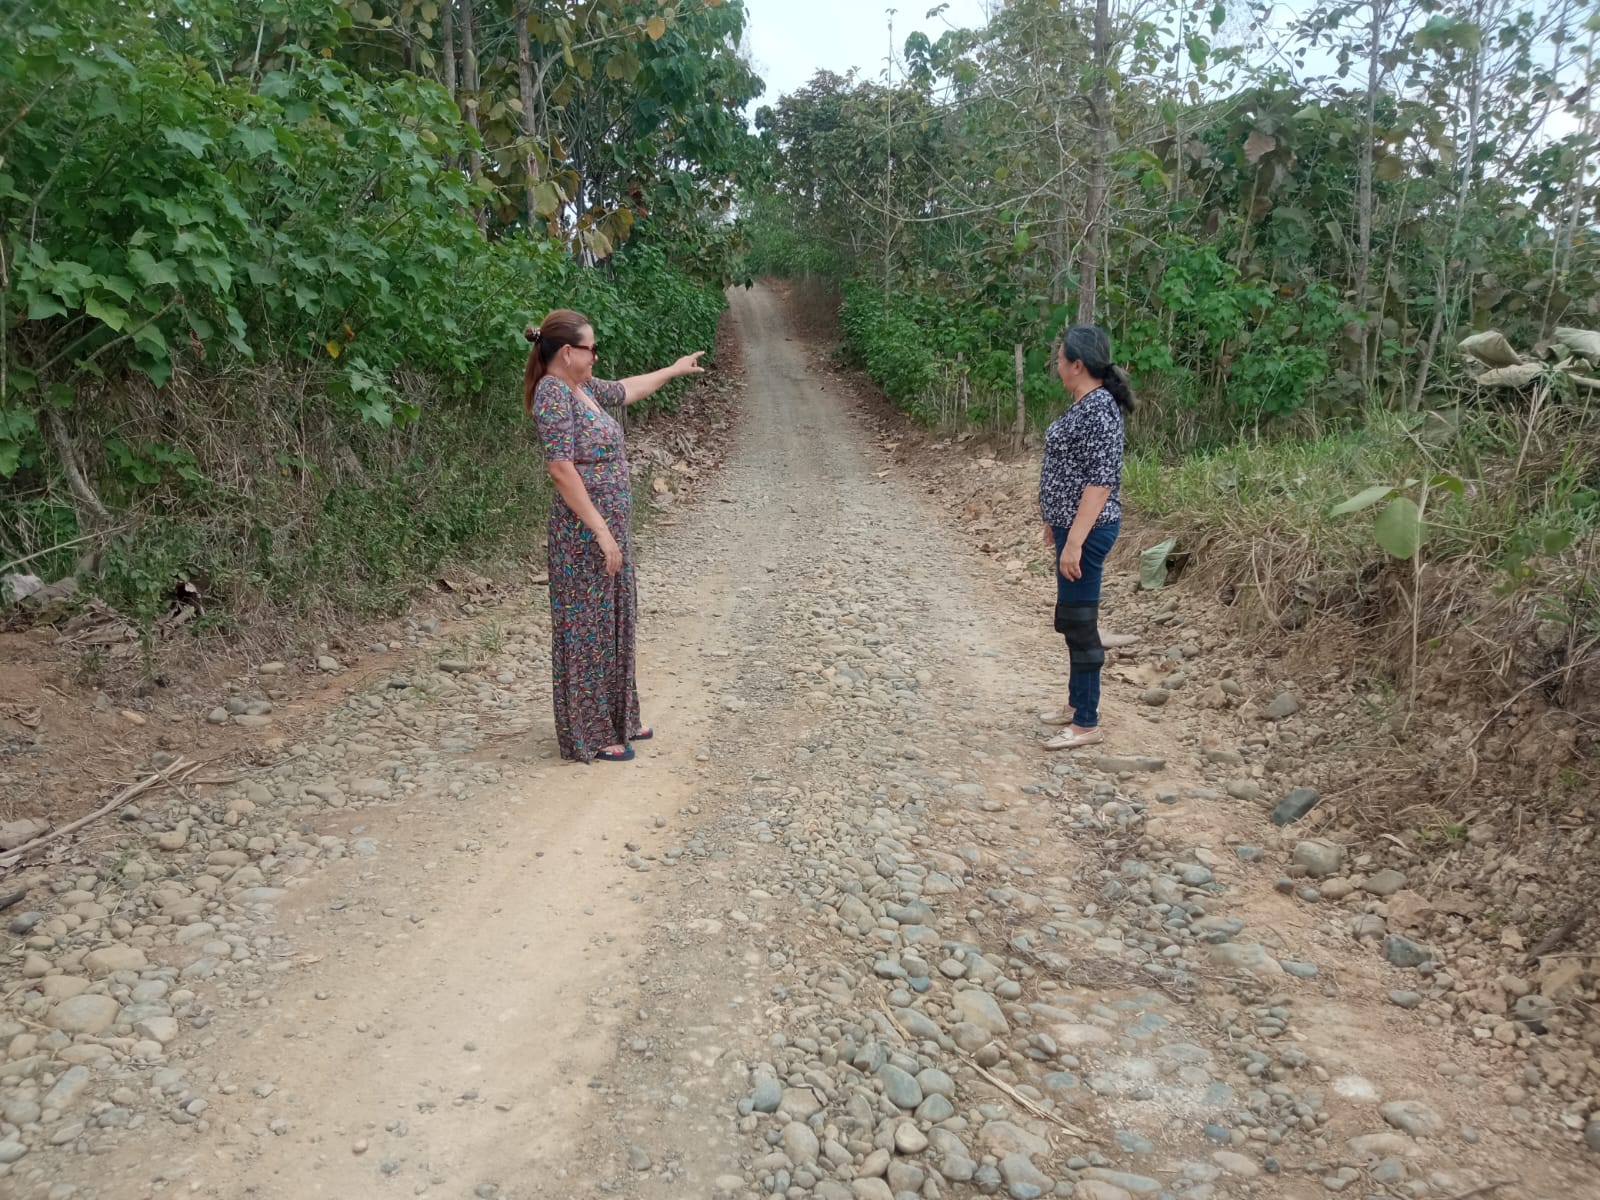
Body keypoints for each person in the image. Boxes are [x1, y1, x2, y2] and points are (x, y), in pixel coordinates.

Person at [525, 309, 705, 763]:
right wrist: (602, 532)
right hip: (582, 534)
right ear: (568, 352)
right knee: (588, 628)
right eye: (591, 348)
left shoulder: (582, 388)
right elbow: (561, 469)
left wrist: (674, 369)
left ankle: (620, 718)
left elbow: (627, 389)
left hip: (609, 529)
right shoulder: (552, 394)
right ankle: (591, 733)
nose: (596, 356)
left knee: (615, 620)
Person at [1035, 324, 1136, 751]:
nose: (1056, 365)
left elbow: (1099, 483)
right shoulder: (1085, 404)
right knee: (1070, 618)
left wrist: (1074, 540)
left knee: (1080, 625)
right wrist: (1054, 521)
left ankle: (1087, 722)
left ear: (1077, 365)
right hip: (1071, 525)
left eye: (1060, 359)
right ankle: (1077, 704)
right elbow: (1070, 470)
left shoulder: (1099, 409)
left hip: (1088, 531)